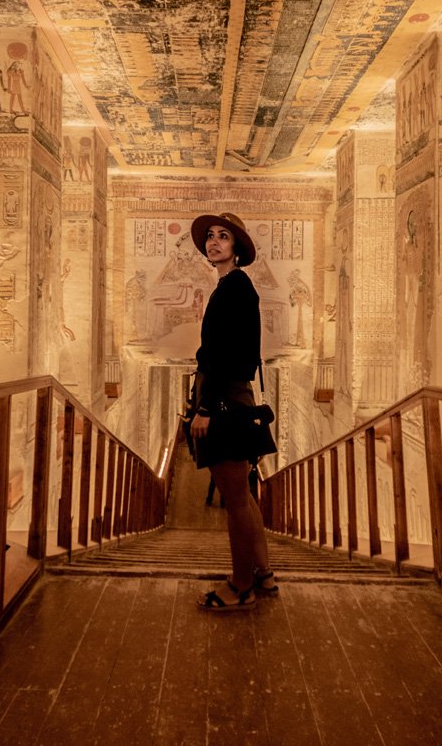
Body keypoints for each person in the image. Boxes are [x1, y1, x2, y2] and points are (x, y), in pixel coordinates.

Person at [188, 212, 278, 611]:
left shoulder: (235, 288)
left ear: (236, 248)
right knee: (245, 498)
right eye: (210, 237)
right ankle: (264, 575)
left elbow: (224, 355)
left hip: (223, 403)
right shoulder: (231, 287)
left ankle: (240, 584)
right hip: (232, 399)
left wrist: (204, 407)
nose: (214, 243)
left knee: (236, 502)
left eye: (223, 237)